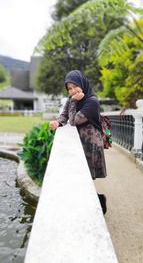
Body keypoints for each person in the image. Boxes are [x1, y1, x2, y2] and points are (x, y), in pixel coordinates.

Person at [49, 70, 107, 214]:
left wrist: (73, 101)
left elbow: (74, 120)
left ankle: (99, 201)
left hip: (91, 142)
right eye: (69, 88)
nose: (73, 90)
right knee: (81, 174)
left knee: (86, 175)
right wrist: (58, 123)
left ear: (82, 83)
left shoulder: (91, 101)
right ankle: (94, 202)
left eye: (75, 86)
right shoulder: (72, 99)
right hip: (80, 141)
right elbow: (65, 115)